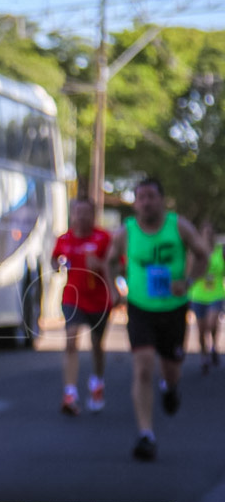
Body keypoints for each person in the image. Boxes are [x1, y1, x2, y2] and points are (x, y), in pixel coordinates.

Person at [105, 177, 209, 461]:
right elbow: (110, 261)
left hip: (174, 308)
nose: (146, 202)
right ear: (135, 202)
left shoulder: (179, 226)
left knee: (172, 367)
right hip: (140, 307)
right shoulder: (126, 232)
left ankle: (171, 387)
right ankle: (146, 434)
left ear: (161, 200)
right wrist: (116, 288)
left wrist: (187, 282)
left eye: (151, 196)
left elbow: (203, 255)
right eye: (141, 197)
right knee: (143, 366)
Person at [52, 197, 114, 414]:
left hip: (99, 299)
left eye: (86, 212)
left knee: (97, 345)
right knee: (71, 339)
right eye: (78, 212)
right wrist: (58, 264)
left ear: (93, 215)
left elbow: (117, 265)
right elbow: (55, 261)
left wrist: (100, 265)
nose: (81, 217)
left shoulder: (104, 238)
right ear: (72, 214)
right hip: (73, 297)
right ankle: (70, 393)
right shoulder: (65, 239)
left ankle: (97, 383)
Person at [188, 221, 224, 374]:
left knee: (212, 323)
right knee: (201, 329)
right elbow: (189, 272)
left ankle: (214, 346)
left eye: (210, 233)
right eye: (205, 232)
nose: (208, 236)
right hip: (198, 294)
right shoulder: (195, 252)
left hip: (216, 293)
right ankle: (204, 355)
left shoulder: (220, 252)